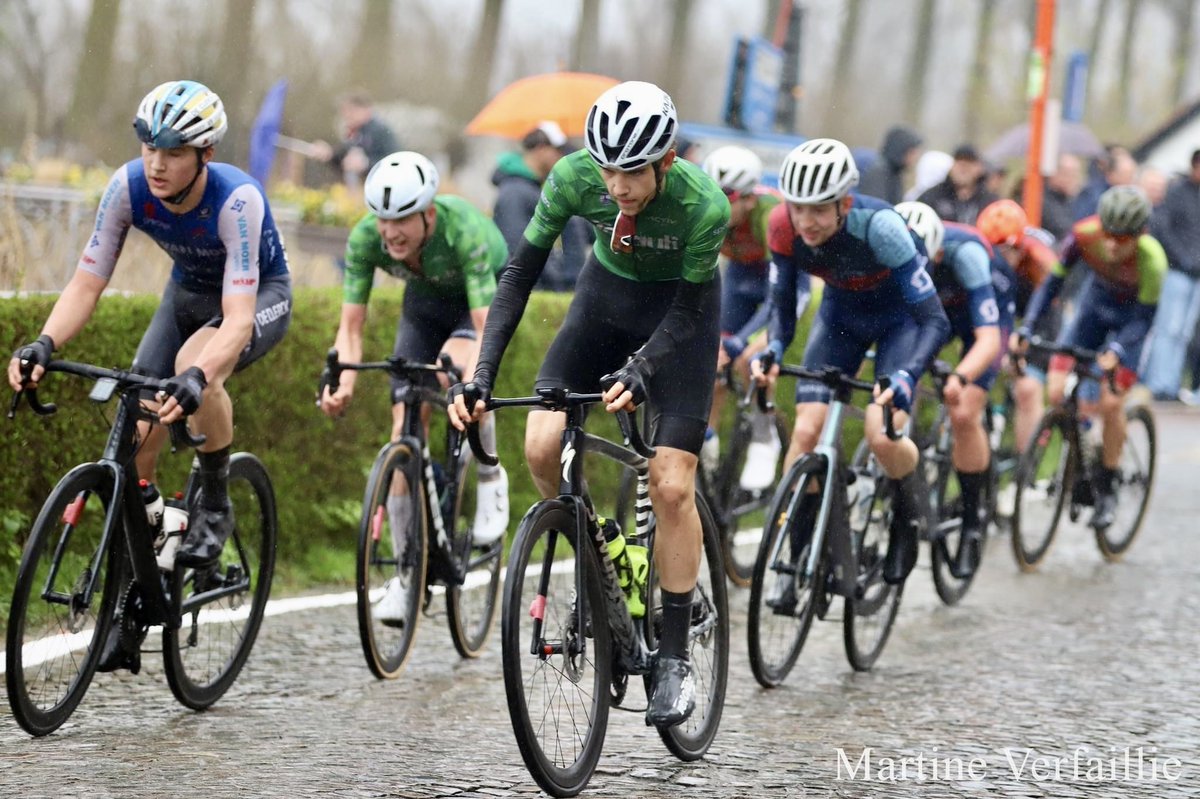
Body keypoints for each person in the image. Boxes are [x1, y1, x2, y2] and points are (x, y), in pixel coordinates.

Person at [448, 81, 729, 728]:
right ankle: (601, 555)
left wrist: (643, 366)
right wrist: (482, 374)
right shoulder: (574, 177)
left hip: (678, 322)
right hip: (604, 304)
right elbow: (518, 272)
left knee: (671, 484)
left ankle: (676, 658)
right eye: (608, 169)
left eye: (632, 172)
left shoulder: (702, 204)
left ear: (665, 162)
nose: (617, 186)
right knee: (541, 446)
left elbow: (689, 310)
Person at [8, 79, 293, 670]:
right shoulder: (127, 187)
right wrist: (43, 342)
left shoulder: (236, 200)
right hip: (186, 294)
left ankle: (214, 494)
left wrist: (196, 378)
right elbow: (88, 283)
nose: (157, 164)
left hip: (256, 298)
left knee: (197, 364)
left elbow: (237, 322)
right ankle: (143, 586)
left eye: (173, 152)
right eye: (148, 148)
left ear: (205, 155)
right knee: (136, 429)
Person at [751, 138, 950, 597]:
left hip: (901, 321)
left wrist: (906, 375)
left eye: (818, 210)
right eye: (797, 208)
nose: (805, 221)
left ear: (844, 203)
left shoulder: (881, 228)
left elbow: (934, 320)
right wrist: (776, 349)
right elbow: (780, 304)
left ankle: (905, 514)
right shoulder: (781, 226)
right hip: (841, 318)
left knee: (882, 435)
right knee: (806, 434)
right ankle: (795, 557)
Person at [320, 151, 510, 624]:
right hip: (424, 305)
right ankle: (408, 575)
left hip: (481, 300)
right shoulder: (368, 239)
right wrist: (341, 378)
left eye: (403, 218)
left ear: (428, 213)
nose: (391, 232)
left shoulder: (461, 228)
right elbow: (351, 327)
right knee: (402, 419)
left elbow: (486, 327)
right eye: (384, 220)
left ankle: (489, 477)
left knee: (457, 376)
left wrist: (476, 384)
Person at [1015, 185, 1166, 530]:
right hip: (1092, 313)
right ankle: (1080, 452)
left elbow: (1144, 321)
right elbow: (1051, 284)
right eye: (1109, 235)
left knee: (1112, 404)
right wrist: (1027, 328)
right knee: (1055, 392)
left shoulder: (1153, 260)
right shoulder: (1082, 234)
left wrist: (1117, 351)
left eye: (1122, 239)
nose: (1112, 245)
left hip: (1130, 324)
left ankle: (1108, 482)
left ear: (1140, 234)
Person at [895, 202, 1004, 577]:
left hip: (977, 315)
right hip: (934, 311)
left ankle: (973, 522)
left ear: (937, 253)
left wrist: (961, 376)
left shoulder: (968, 256)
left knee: (963, 411)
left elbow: (988, 340)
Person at [699, 145, 784, 490]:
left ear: (749, 199)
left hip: (778, 285)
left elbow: (780, 299)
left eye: (726, 198)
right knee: (712, 361)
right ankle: (706, 440)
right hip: (740, 277)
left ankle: (765, 438)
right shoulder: (707, 215)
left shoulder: (770, 216)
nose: (715, 206)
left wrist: (741, 340)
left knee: (750, 359)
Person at [975, 199, 1060, 455]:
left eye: (1009, 249)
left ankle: (1027, 469)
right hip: (1002, 300)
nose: (1002, 256)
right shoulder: (979, 251)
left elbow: (1045, 307)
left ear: (1021, 243)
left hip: (1038, 308)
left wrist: (1019, 337)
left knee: (1027, 387)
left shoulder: (1040, 259)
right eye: (994, 249)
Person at [490, 121, 590, 292]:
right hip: (533, 292)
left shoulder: (532, 189)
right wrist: (558, 283)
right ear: (541, 148)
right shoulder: (514, 193)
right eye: (558, 151)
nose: (562, 158)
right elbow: (519, 252)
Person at [1142, 150, 1200, 401]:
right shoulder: (1176, 194)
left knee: (1184, 332)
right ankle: (1159, 383)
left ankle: (1172, 383)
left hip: (1197, 275)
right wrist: (1183, 258)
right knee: (1169, 329)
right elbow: (1165, 231)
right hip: (1178, 271)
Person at [310, 91, 400, 187]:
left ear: (366, 110)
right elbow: (344, 156)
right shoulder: (355, 132)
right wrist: (329, 153)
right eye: (344, 111)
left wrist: (366, 164)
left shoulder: (380, 131)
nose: (347, 115)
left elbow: (395, 162)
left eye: (351, 110)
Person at [917, 144, 999, 226]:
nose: (963, 169)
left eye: (969, 164)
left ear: (979, 168)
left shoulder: (990, 203)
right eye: (959, 163)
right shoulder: (932, 198)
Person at [858, 125, 923, 204]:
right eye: (912, 152)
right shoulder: (879, 173)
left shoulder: (894, 173)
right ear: (900, 150)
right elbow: (875, 207)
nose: (915, 157)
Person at [1040, 153, 1084, 241]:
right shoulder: (1044, 201)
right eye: (1071, 175)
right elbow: (1064, 231)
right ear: (1055, 174)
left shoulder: (1066, 200)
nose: (1076, 181)